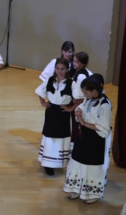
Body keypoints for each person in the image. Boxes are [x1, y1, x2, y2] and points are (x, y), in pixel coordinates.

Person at [63, 74, 112, 204]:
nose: (84, 95)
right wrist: (79, 112)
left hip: (95, 140)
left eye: (86, 92)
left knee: (91, 167)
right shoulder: (89, 99)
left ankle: (92, 193)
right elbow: (83, 107)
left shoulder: (104, 104)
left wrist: (83, 122)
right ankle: (76, 188)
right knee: (77, 162)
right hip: (83, 136)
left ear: (94, 91)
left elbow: (104, 128)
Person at [35, 58, 84, 176]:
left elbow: (80, 98)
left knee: (61, 137)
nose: (59, 71)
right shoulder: (49, 80)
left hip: (63, 113)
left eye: (62, 69)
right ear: (55, 69)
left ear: (67, 69)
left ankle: (58, 162)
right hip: (51, 111)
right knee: (49, 136)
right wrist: (43, 102)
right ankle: (47, 164)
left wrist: (71, 108)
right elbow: (39, 91)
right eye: (57, 68)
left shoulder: (72, 83)